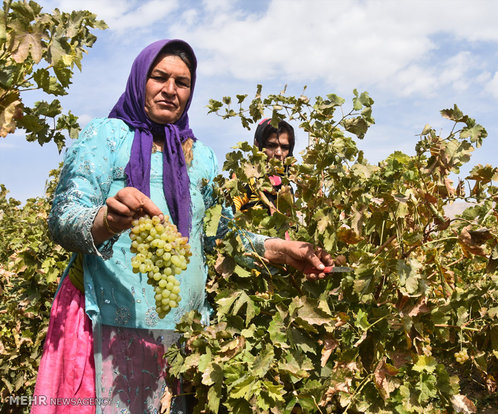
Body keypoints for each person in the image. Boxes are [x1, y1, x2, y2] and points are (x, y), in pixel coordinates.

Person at [33, 39, 332, 413]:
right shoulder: (105, 138)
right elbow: (63, 218)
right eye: (159, 77)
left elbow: (222, 235)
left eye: (183, 82)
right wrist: (107, 221)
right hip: (104, 325)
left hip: (181, 333)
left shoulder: (201, 157)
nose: (170, 90)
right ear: (140, 78)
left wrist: (280, 250)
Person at [232, 118, 295, 214]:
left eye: (285, 147)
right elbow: (227, 213)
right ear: (259, 146)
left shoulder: (286, 186)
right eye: (272, 145)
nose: (278, 153)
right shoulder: (247, 177)